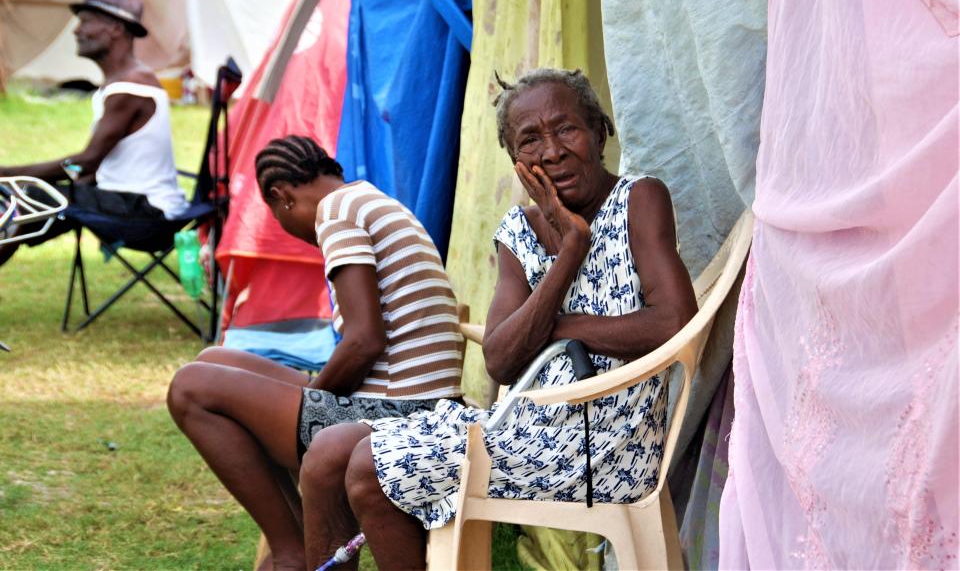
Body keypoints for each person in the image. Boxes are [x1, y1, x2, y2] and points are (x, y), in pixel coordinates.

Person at [299, 68, 700, 570]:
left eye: (567, 129)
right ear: (516, 162)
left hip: (606, 446)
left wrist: (557, 327)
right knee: (330, 447)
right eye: (531, 140)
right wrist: (571, 249)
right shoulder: (520, 229)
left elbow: (674, 322)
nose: (552, 151)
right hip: (527, 427)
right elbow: (502, 361)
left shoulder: (638, 199)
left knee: (369, 468)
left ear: (599, 133)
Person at [166, 135, 464, 571]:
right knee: (214, 361)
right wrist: (310, 398)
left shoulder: (336, 213)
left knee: (190, 388)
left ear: (281, 198)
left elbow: (364, 340)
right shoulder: (366, 199)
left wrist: (313, 400)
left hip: (399, 413)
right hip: (407, 399)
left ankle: (290, 553)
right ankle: (295, 536)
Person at [0, 0, 187, 267]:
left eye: (86, 22)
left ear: (115, 28)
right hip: (128, 205)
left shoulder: (130, 87)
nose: (76, 30)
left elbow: (84, 163)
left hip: (147, 215)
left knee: (31, 198)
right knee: (34, 203)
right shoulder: (126, 83)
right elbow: (86, 169)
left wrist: (7, 176)